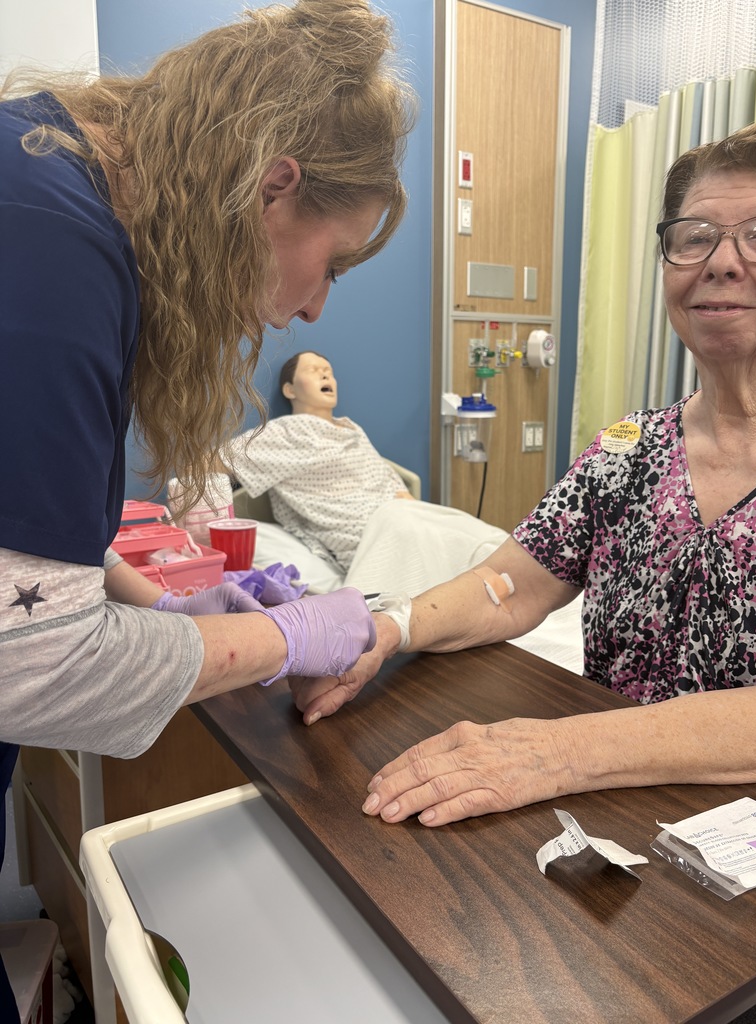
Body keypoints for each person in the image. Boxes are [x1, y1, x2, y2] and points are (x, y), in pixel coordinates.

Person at [0, 2, 415, 1016]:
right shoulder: (52, 247)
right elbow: (32, 661)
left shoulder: (44, 174)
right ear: (271, 188)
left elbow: (29, 549)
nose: (318, 307)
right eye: (338, 258)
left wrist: (163, 605)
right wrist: (277, 639)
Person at [289, 117, 756, 830]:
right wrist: (386, 630)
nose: (722, 263)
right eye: (694, 237)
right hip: (618, 832)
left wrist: (559, 751)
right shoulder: (626, 452)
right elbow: (509, 586)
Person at [223, 350, 510, 591]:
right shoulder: (284, 432)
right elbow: (217, 462)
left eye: (329, 371)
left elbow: (394, 486)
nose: (326, 375)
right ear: (289, 390)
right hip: (370, 535)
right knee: (469, 568)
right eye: (314, 370)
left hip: (401, 517)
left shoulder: (351, 428)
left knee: (481, 541)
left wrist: (426, 519)